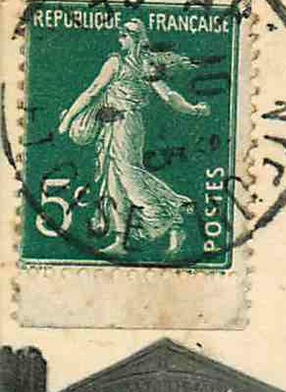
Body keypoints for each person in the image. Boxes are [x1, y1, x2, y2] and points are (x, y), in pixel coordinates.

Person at [56, 19, 212, 257]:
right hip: (113, 126)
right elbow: (167, 96)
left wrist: (68, 121)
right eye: (120, 34)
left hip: (125, 126)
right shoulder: (139, 63)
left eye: (124, 35)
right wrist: (193, 109)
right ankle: (122, 240)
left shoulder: (123, 63)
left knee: (129, 178)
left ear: (136, 38)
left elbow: (93, 91)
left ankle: (177, 206)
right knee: (114, 182)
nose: (120, 39)